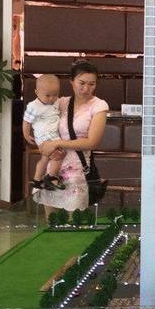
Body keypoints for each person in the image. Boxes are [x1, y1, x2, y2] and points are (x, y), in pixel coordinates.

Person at [34, 60, 109, 216]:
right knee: (51, 221)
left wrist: (57, 143)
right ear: (71, 81)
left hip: (77, 171)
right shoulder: (61, 102)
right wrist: (42, 143)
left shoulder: (99, 105)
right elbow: (41, 122)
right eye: (82, 83)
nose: (86, 88)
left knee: (74, 223)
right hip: (53, 170)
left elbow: (92, 142)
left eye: (92, 84)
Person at [23, 74, 64, 192]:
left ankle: (36, 180)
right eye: (47, 95)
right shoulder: (34, 106)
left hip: (52, 134)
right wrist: (26, 135)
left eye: (55, 95)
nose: (51, 98)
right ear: (36, 92)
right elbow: (26, 122)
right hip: (45, 136)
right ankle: (51, 178)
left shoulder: (57, 101)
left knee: (45, 158)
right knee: (58, 156)